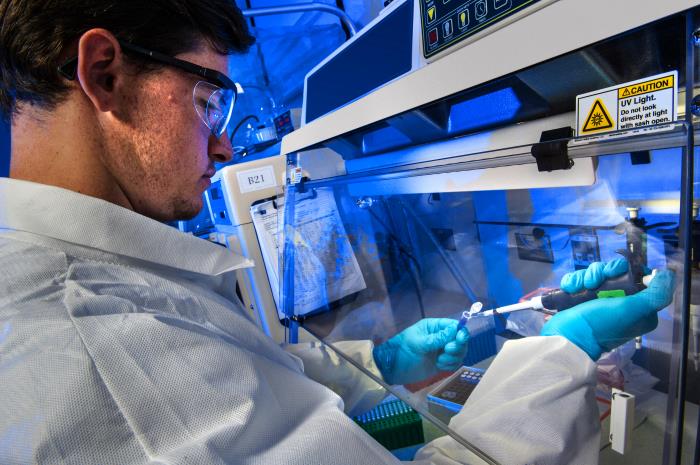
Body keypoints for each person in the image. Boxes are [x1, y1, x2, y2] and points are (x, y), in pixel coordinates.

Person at [0, 1, 675, 464]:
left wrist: (387, 366)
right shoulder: (97, 354)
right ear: (104, 73)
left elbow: (269, 383)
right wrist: (563, 351)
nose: (227, 148)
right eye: (208, 102)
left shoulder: (106, 275)